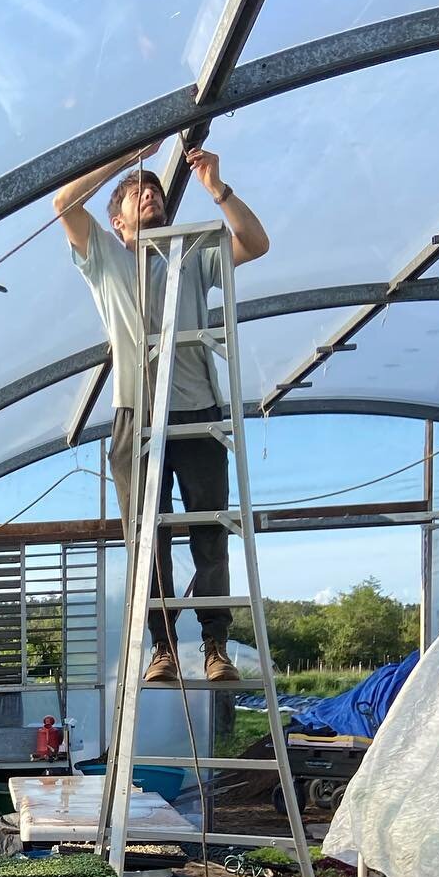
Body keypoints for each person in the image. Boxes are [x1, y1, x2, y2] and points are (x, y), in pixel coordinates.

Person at [55, 141, 269, 684]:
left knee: (209, 531)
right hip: (136, 414)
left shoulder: (190, 256)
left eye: (153, 190)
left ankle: (215, 645)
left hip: (198, 413)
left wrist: (217, 189)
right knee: (146, 537)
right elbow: (63, 203)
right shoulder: (104, 257)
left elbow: (256, 243)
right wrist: (127, 159)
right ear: (117, 219)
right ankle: (163, 648)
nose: (149, 193)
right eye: (136, 193)